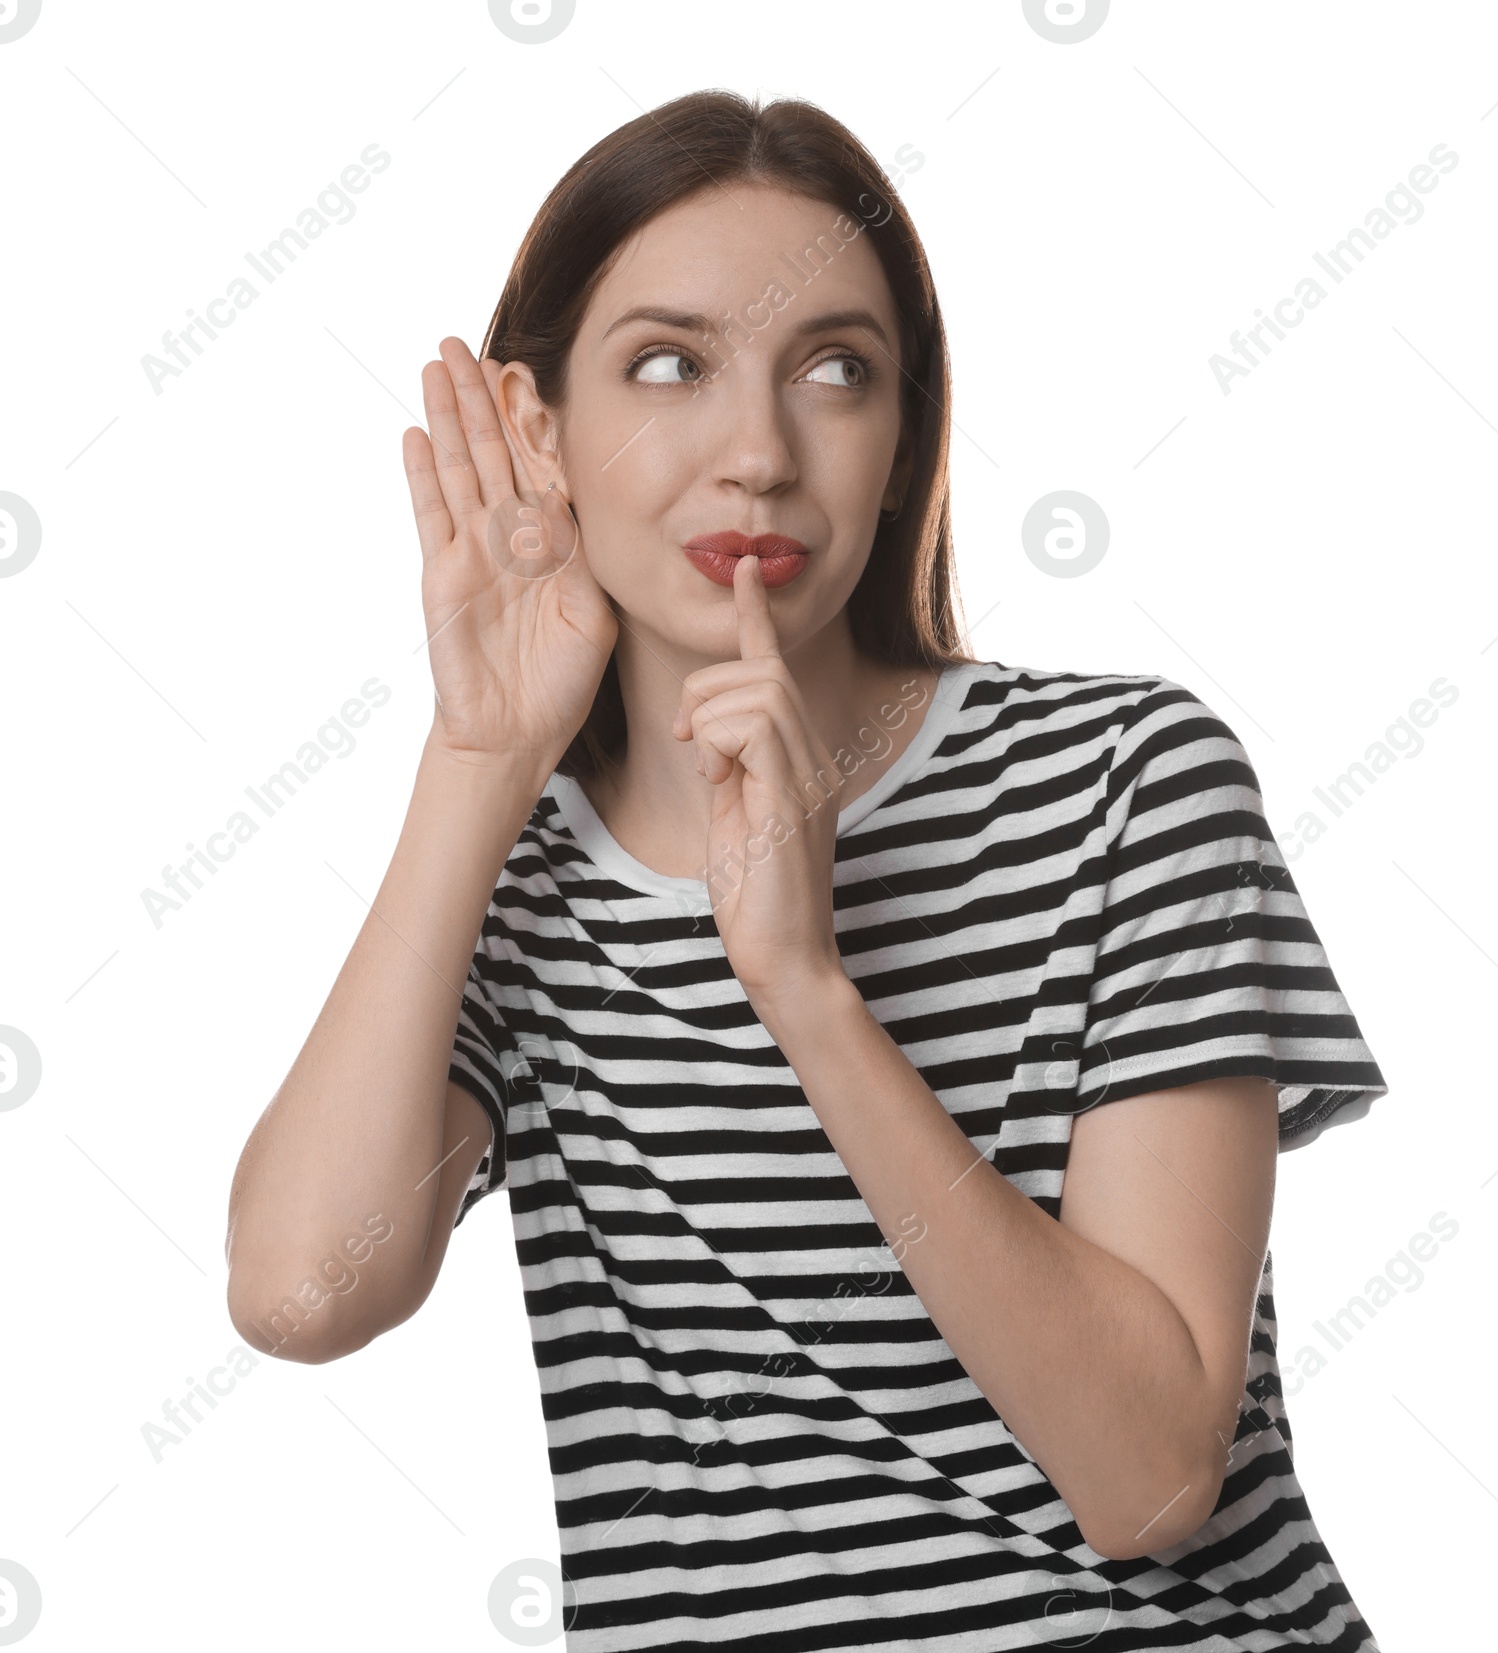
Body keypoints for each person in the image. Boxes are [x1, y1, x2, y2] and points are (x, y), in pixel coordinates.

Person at [225, 89, 1390, 1651]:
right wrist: (479, 762)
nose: (759, 454)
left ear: (904, 434)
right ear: (534, 427)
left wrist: (806, 986)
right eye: (667, 367)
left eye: (837, 371)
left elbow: (1150, 1478)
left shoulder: (1128, 782)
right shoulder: (511, 890)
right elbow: (305, 1294)